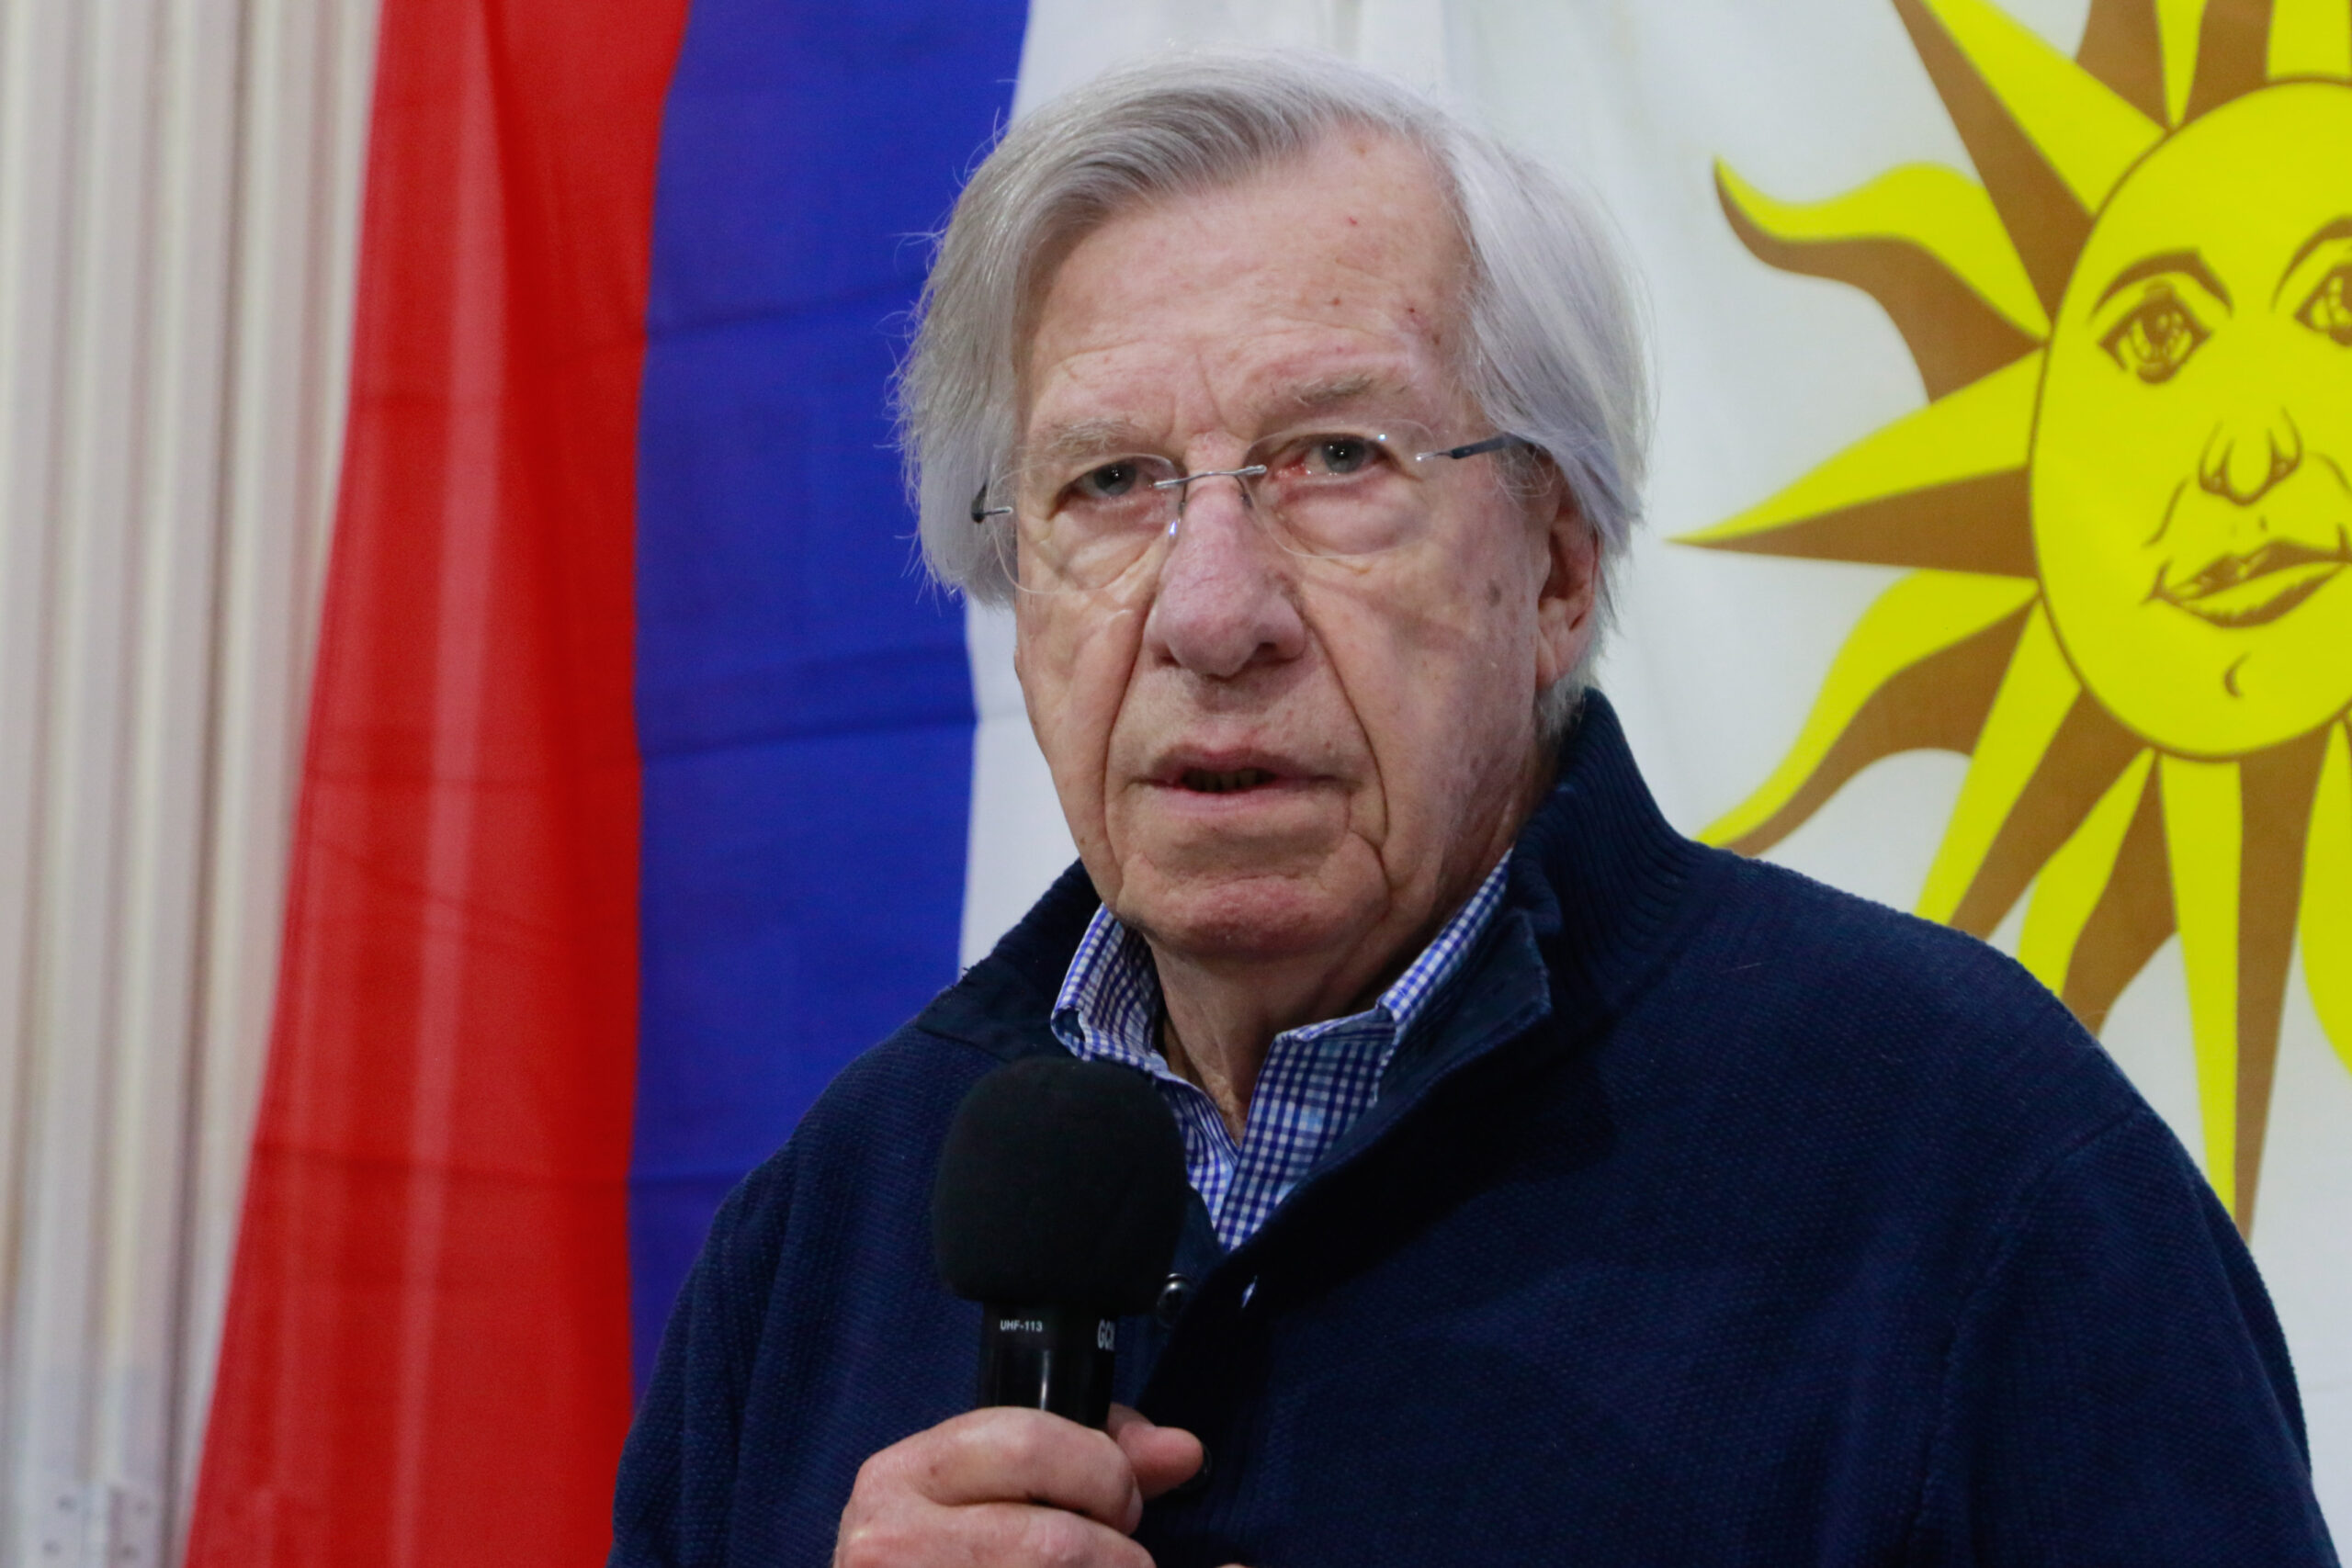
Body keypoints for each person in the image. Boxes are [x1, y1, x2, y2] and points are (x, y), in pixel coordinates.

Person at [609, 51, 2338, 1568]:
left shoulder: (1969, 1163)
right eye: (1111, 483)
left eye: (1337, 460)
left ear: (1559, 571)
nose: (1211, 611)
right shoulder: (824, 1236)